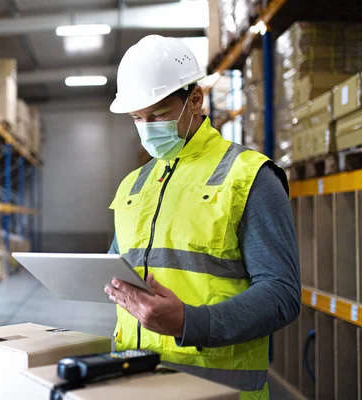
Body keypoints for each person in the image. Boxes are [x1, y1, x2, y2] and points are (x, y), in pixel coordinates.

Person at [104, 35, 300, 399]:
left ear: (195, 100)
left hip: (217, 390)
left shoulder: (249, 176)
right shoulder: (134, 185)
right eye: (137, 118)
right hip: (135, 382)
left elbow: (281, 294)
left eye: (159, 115)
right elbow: (118, 270)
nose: (147, 128)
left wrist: (189, 322)